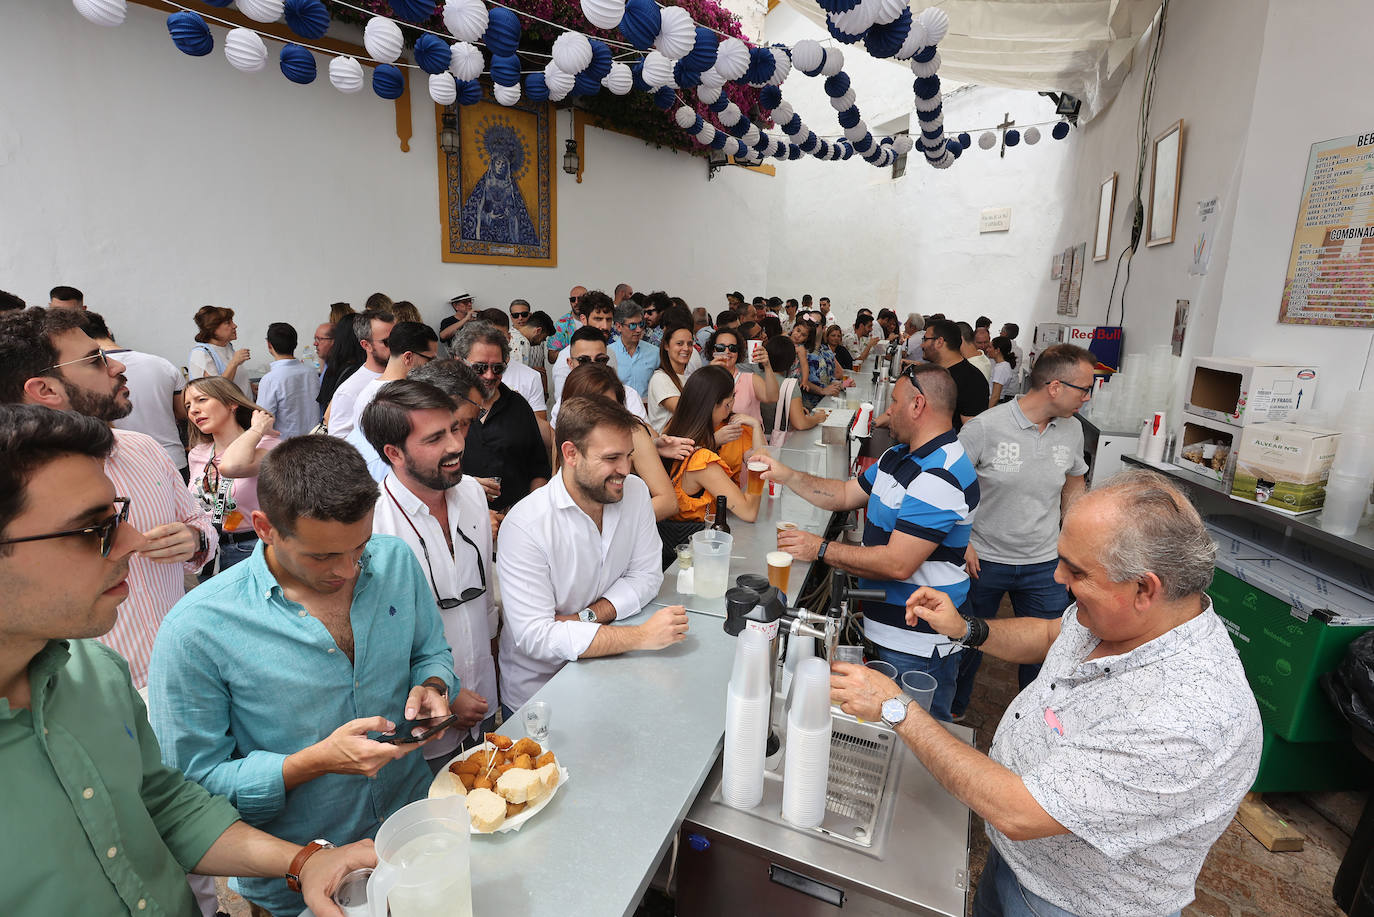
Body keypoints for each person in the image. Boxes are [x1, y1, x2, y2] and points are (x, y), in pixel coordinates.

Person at [831, 470, 1263, 917]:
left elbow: (1019, 812)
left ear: (1144, 588)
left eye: (1075, 571)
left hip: (1071, 904)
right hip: (1019, 865)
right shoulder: (1123, 615)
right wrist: (965, 629)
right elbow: (1053, 635)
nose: (1057, 577)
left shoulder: (1189, 716)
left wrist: (896, 707)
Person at [0, 404, 374, 917]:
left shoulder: (95, 673)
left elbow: (164, 805)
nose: (133, 541)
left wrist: (304, 862)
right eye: (93, 529)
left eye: (118, 516)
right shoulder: (195, 628)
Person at [148, 436, 456, 917]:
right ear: (265, 528)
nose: (348, 570)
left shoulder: (394, 559)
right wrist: (311, 763)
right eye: (322, 556)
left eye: (360, 547)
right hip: (298, 888)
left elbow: (430, 650)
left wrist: (433, 685)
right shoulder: (197, 630)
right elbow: (192, 788)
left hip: (413, 837)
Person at [0, 307, 217, 688]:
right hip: (97, 693)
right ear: (45, 390)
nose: (117, 366)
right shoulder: (15, 492)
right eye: (95, 360)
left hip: (187, 669)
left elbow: (199, 522)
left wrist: (196, 539)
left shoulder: (143, 449)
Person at [756, 363, 978, 720]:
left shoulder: (940, 473)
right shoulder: (899, 456)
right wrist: (787, 475)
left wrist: (821, 548)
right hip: (888, 633)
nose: (888, 412)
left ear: (918, 405)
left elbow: (897, 563)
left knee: (916, 739)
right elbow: (846, 495)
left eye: (895, 402)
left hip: (917, 646)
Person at [496, 396, 690, 712]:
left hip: (613, 676)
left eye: (628, 456)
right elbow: (537, 637)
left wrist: (584, 618)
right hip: (541, 698)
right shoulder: (525, 525)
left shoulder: (635, 493)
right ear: (571, 453)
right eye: (612, 458)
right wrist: (641, 636)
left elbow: (647, 575)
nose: (625, 470)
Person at [364, 372, 499, 765]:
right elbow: (379, 641)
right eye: (435, 438)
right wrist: (448, 694)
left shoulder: (472, 493)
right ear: (394, 453)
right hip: (424, 725)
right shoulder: (373, 525)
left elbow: (485, 598)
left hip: (486, 699)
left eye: (454, 428)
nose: (456, 445)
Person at [952, 344, 1092, 717]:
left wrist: (1073, 543)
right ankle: (954, 709)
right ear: (1055, 387)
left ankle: (1032, 721)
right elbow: (949, 486)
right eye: (1084, 389)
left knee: (1047, 651)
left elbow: (1074, 483)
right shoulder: (985, 427)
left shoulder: (1072, 429)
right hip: (983, 561)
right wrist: (960, 540)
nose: (1087, 397)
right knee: (967, 640)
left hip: (1044, 564)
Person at [558, 363, 689, 521]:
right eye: (593, 409)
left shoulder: (633, 434)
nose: (603, 416)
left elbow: (668, 502)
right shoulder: (565, 433)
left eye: (611, 408)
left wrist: (616, 525)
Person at [185, 376, 282, 578]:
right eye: (188, 406)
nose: (193, 410)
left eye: (201, 400)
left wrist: (257, 429)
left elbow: (233, 466)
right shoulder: (197, 453)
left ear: (231, 403)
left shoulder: (267, 445)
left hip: (253, 548)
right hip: (210, 551)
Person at [452, 322, 552, 512]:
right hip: (459, 517)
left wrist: (528, 512)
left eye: (498, 368)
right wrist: (468, 487)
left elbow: (539, 469)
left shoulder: (519, 406)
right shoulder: (442, 407)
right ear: (460, 362)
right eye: (480, 368)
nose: (489, 375)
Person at [84, 311, 190, 482]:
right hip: (172, 459)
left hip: (121, 465)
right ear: (109, 332)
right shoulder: (162, 364)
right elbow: (183, 412)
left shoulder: (85, 373)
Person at [662, 365, 764, 526]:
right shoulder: (702, 461)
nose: (732, 406)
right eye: (730, 400)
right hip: (700, 538)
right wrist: (758, 470)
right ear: (719, 405)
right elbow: (749, 512)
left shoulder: (673, 433)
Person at [342, 322, 441, 480]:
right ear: (408, 357)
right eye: (429, 360)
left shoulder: (372, 391)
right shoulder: (386, 398)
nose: (432, 367)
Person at [475, 308, 551, 451]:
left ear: (509, 338)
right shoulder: (466, 376)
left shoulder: (531, 377)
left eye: (499, 337)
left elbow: (539, 432)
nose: (493, 344)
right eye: (487, 337)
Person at [551, 326, 649, 422]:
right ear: (570, 364)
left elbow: (644, 431)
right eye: (584, 360)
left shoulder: (628, 396)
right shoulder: (564, 400)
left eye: (600, 360)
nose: (592, 366)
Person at [326, 310, 395, 438]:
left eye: (397, 339)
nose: (396, 346)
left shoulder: (408, 373)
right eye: (387, 342)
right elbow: (339, 440)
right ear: (366, 345)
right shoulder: (349, 390)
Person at [257, 321, 322, 438]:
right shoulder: (312, 372)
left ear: (269, 345)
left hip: (285, 445)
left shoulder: (270, 379)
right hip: (314, 441)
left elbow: (262, 422)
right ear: (295, 344)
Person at [707, 325, 779, 429]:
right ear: (713, 351)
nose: (727, 352)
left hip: (748, 437)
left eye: (732, 348)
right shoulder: (705, 380)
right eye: (720, 348)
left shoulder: (750, 379)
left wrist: (767, 365)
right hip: (715, 438)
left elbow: (773, 397)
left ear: (738, 352)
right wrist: (709, 373)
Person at [921, 318, 988, 430]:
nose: (922, 345)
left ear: (939, 342)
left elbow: (972, 432)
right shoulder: (935, 372)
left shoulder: (972, 381)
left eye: (925, 339)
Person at [762, 335, 828, 445]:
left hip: (754, 440)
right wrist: (817, 418)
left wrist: (794, 408)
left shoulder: (754, 378)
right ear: (792, 361)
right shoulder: (789, 385)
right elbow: (800, 423)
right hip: (777, 443)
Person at [189, 305, 253, 400]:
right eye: (228, 323)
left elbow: (235, 378)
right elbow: (216, 390)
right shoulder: (201, 354)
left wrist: (250, 387)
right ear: (213, 328)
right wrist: (234, 363)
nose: (234, 326)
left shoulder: (228, 347)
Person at [646, 322, 696, 433]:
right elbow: (687, 412)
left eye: (690, 344)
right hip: (667, 441)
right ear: (666, 346)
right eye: (679, 343)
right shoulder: (660, 378)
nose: (686, 348)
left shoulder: (688, 378)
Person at [316, 314, 366, 413]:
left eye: (320, 339)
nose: (316, 343)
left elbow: (323, 408)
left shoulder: (333, 369)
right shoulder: (363, 370)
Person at [609, 301, 659, 398]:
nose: (638, 330)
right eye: (632, 325)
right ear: (618, 327)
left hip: (646, 406)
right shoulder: (609, 353)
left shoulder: (655, 353)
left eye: (641, 324)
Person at [546, 284, 588, 354]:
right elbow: (551, 355)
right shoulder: (561, 324)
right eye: (573, 299)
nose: (576, 302)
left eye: (580, 299)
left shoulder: (597, 320)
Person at [988, 335, 1020, 406]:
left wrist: (987, 411)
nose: (987, 350)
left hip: (995, 405)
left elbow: (995, 396)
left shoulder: (1001, 368)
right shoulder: (1002, 365)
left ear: (997, 350)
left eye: (990, 347)